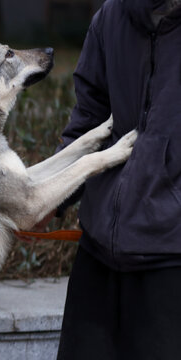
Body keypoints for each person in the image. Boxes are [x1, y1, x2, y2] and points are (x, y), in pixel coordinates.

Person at [50, 0, 181, 359]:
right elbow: (89, 118)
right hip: (97, 254)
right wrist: (51, 195)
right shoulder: (110, 17)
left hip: (170, 261)